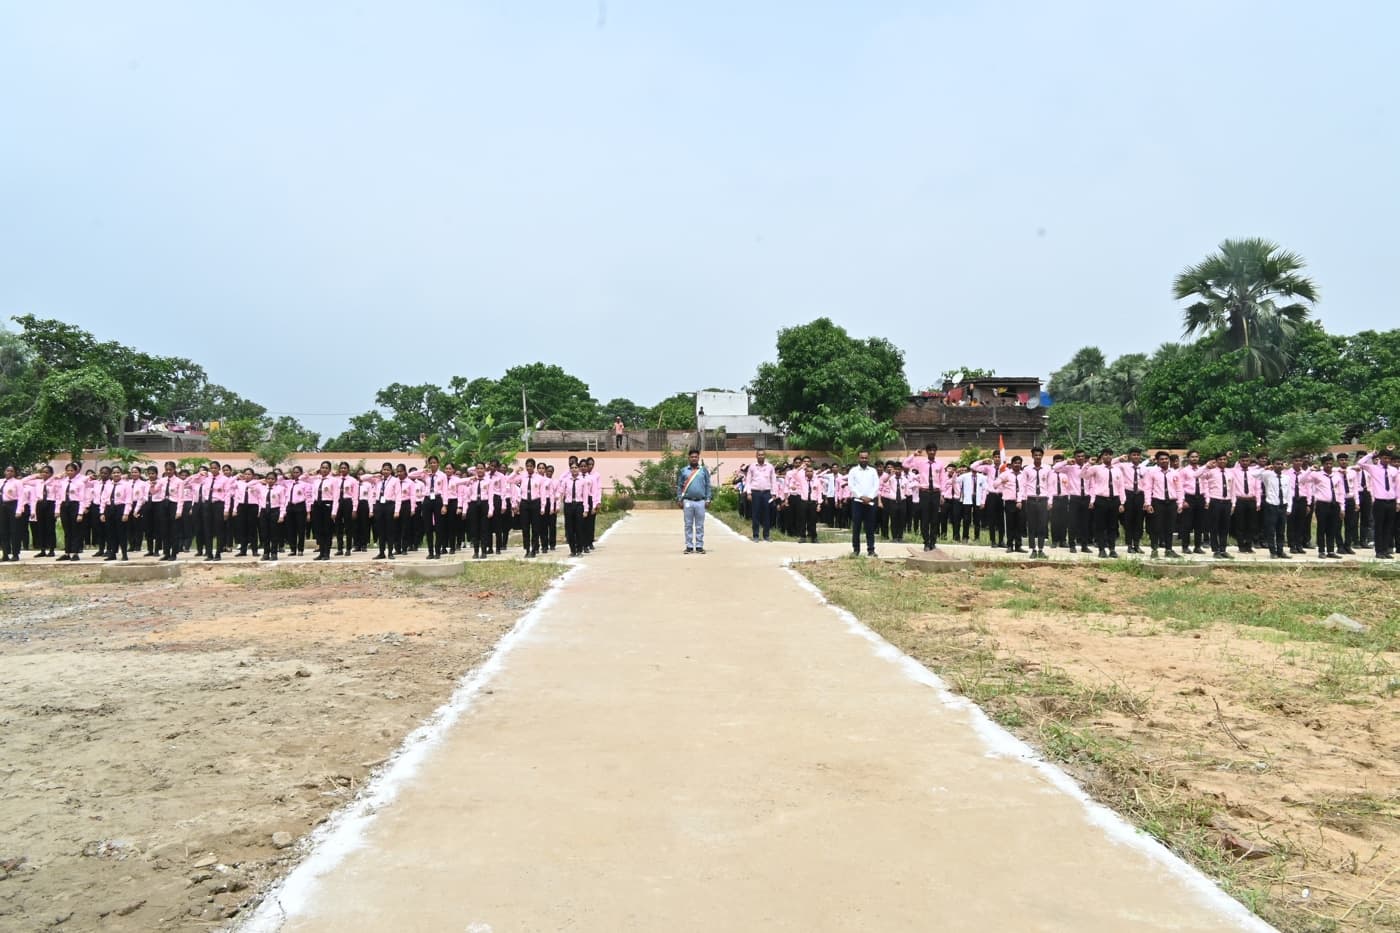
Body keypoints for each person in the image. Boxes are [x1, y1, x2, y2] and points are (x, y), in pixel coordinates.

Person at [676, 449, 712, 554]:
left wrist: (708, 499)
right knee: (688, 524)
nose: (694, 458)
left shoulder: (703, 470)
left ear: (698, 458)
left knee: (699, 525)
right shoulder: (683, 471)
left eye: (696, 457)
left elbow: (708, 486)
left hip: (701, 501)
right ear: (689, 458)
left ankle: (700, 546)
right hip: (688, 501)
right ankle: (689, 546)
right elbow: (679, 486)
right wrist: (679, 499)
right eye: (692, 457)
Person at [846, 449, 881, 557]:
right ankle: (856, 550)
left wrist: (869, 497)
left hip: (870, 503)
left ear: (868, 458)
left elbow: (876, 486)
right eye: (862, 457)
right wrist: (861, 496)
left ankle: (871, 550)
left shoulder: (873, 471)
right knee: (856, 527)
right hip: (857, 502)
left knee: (870, 527)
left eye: (866, 458)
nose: (864, 459)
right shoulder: (853, 471)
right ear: (858, 458)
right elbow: (851, 486)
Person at [745, 450, 776, 542]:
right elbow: (748, 480)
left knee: (766, 514)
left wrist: (774, 493)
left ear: (765, 456)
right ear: (756, 456)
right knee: (755, 514)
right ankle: (755, 535)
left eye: (762, 455)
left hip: (767, 493)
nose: (761, 456)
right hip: (755, 493)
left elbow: (773, 480)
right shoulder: (752, 467)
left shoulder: (770, 467)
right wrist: (749, 493)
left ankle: (766, 535)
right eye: (759, 455)